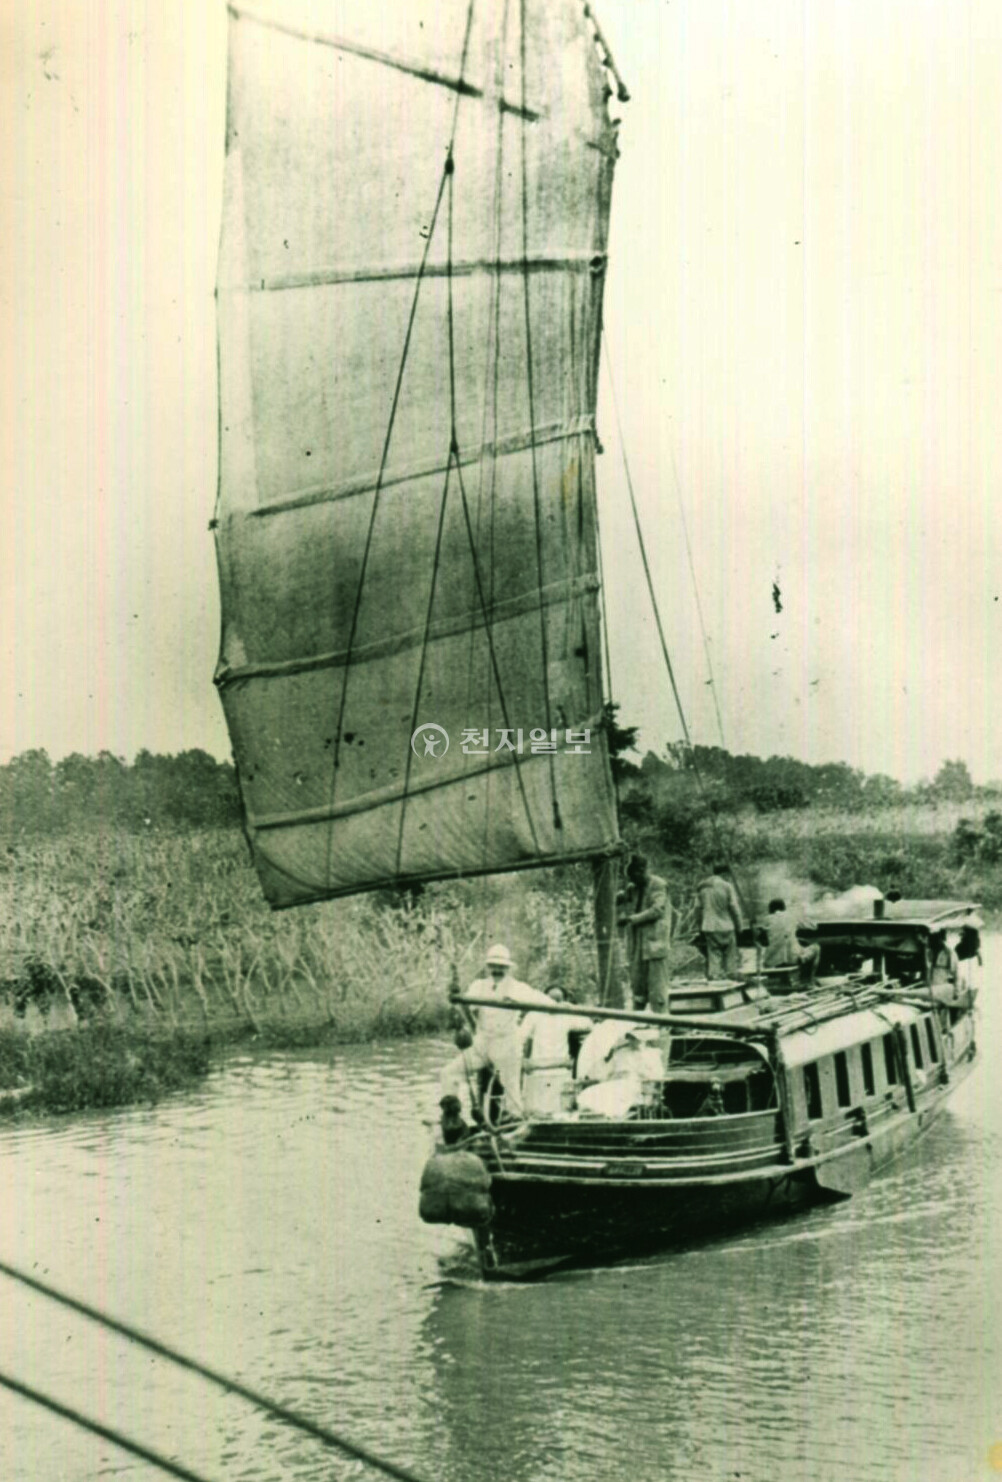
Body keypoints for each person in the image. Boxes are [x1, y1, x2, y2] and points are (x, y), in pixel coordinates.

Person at [440, 944, 550, 1119]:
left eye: (501, 967)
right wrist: (456, 998)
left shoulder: (518, 988)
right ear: (488, 967)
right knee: (449, 1073)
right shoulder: (478, 986)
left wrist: (562, 1005)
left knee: (512, 1091)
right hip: (482, 1042)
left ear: (508, 968)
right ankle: (451, 1115)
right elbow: (467, 1005)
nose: (497, 970)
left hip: (506, 1043)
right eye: (493, 966)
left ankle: (515, 1118)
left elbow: (545, 1002)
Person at [519, 988, 592, 1116]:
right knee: (536, 1111)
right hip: (538, 1071)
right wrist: (523, 1060)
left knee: (559, 1112)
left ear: (562, 1001)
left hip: (560, 1071)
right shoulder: (534, 1014)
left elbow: (588, 1024)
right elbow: (521, 1037)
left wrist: (571, 1007)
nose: (553, 1002)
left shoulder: (566, 1015)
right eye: (550, 999)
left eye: (557, 1000)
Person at [619, 854, 673, 1011]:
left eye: (634, 876)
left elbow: (657, 910)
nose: (633, 881)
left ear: (642, 871)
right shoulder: (634, 888)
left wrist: (631, 919)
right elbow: (624, 897)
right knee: (638, 987)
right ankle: (637, 1018)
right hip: (638, 946)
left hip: (655, 944)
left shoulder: (658, 885)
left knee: (657, 988)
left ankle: (661, 1019)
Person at [695, 863, 744, 979]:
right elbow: (734, 908)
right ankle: (731, 976)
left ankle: (715, 978)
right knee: (730, 955)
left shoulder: (702, 887)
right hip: (726, 925)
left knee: (714, 955)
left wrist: (700, 926)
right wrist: (739, 926)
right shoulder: (727, 886)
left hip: (709, 926)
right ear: (725, 874)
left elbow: (697, 910)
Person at [760, 897, 798, 968]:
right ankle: (808, 974)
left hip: (771, 962)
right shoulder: (791, 917)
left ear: (770, 909)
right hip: (791, 960)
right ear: (784, 908)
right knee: (816, 948)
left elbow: (762, 941)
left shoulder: (767, 919)